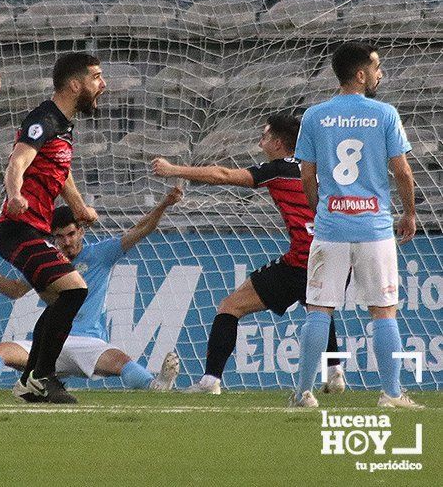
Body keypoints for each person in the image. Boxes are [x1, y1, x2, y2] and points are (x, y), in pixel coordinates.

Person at [152, 115, 345, 395]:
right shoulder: (320, 168)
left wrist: (173, 169)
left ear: (278, 143)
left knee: (230, 307)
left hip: (303, 256)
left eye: (265, 136)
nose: (259, 141)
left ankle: (210, 382)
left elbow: (223, 175)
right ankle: (335, 371)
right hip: (333, 251)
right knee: (318, 307)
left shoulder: (277, 170)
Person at [289, 42, 421, 408]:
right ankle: (391, 394)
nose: (380, 74)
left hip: (331, 227)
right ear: (361, 75)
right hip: (374, 228)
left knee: (319, 309)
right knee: (383, 310)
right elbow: (402, 171)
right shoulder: (385, 114)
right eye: (376, 67)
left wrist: (320, 209)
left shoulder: (315, 116)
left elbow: (307, 173)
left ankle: (302, 394)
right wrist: (409, 213)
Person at [0, 190, 183, 389]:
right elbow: (16, 290)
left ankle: (154, 385)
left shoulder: (101, 254)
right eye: (60, 237)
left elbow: (141, 229)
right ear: (52, 239)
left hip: (88, 342)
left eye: (71, 234)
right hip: (49, 343)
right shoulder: (45, 260)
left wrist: (163, 204)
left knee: (121, 360)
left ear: (81, 231)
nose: (67, 242)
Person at [0, 53, 103, 404]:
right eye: (97, 77)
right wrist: (14, 195)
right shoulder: (43, 119)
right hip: (15, 226)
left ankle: (31, 379)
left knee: (60, 298)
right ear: (75, 84)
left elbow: (60, 171)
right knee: (73, 290)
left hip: (31, 229)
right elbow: (18, 161)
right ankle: (39, 376)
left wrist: (80, 206)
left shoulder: (63, 125)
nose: (103, 84)